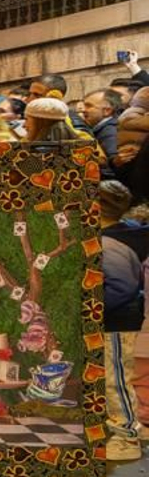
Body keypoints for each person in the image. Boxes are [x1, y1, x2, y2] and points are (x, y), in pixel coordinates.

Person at [99, 182, 144, 462]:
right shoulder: (118, 237)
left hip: (115, 320)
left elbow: (120, 287)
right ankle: (122, 426)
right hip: (116, 318)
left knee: (115, 378)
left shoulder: (107, 242)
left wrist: (95, 308)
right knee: (113, 376)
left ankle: (127, 436)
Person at [81, 89, 124, 172]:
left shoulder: (109, 131)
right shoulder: (103, 128)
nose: (83, 110)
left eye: (88, 106)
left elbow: (114, 163)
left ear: (107, 111)